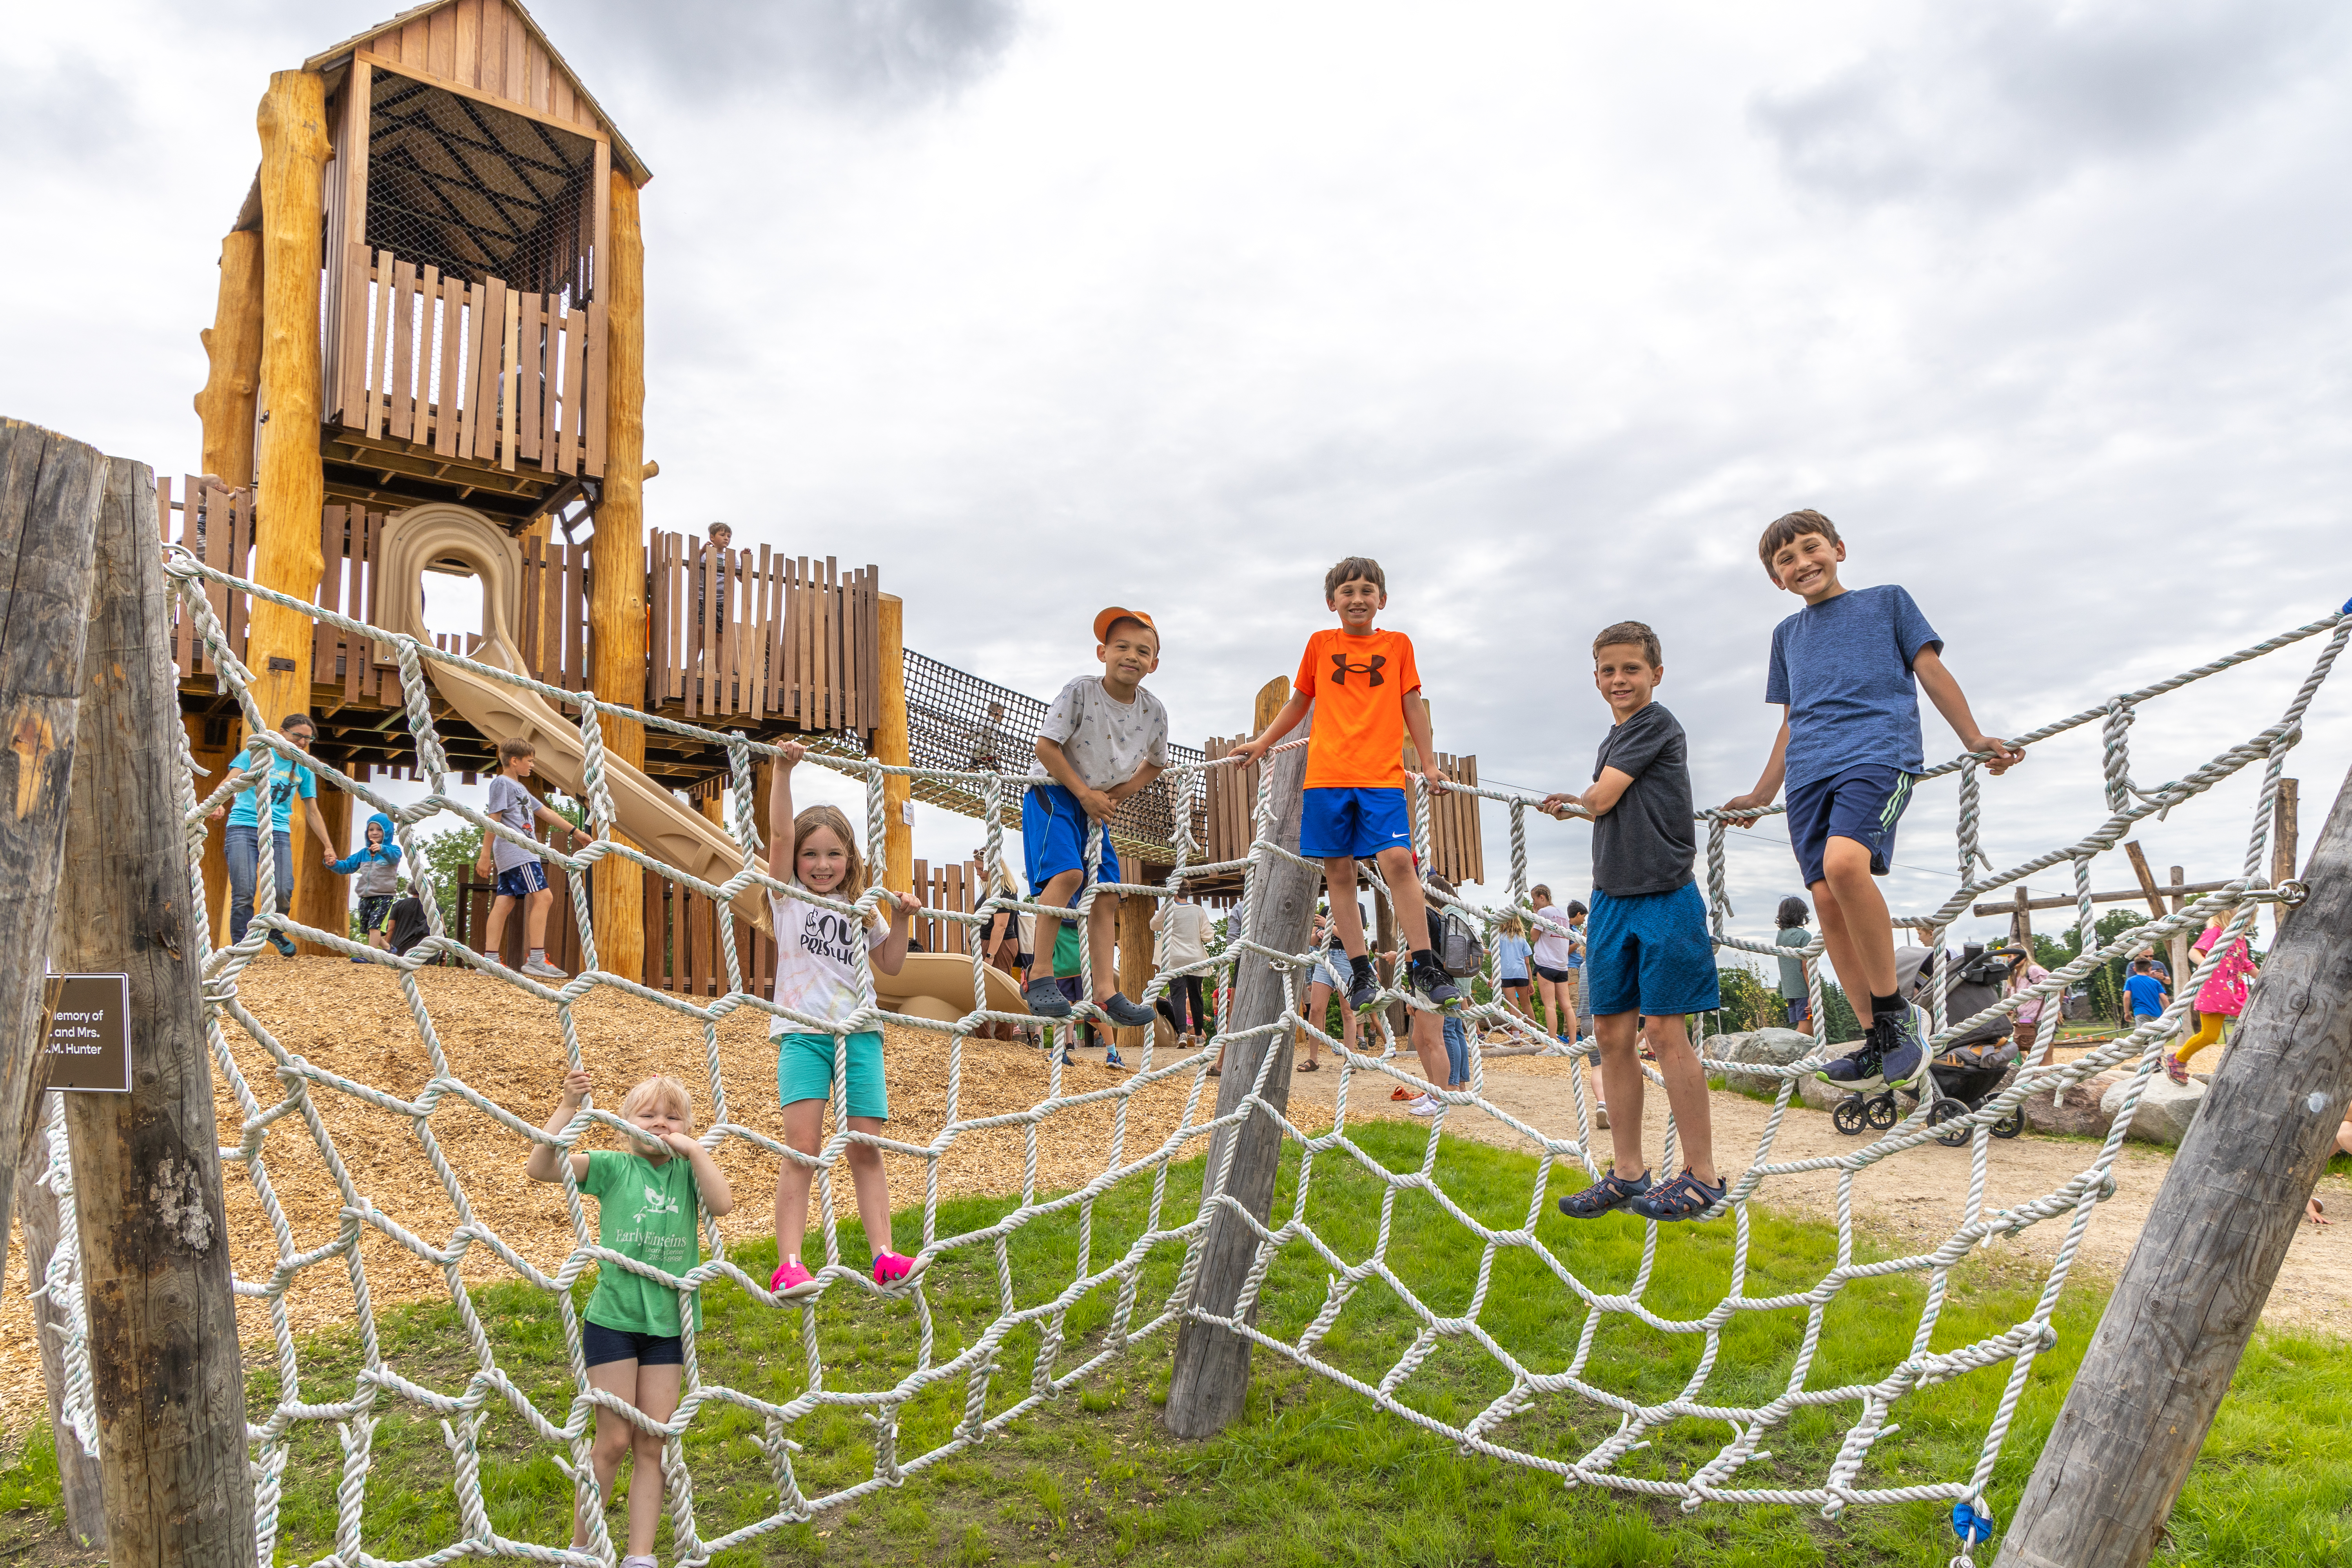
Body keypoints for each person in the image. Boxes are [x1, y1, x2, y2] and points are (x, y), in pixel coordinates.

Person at [1720, 510, 2022, 1093]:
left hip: (1876, 754)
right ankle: (1874, 1038)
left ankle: (1896, 1017)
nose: (1802, 563)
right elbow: (1791, 722)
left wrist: (1974, 738)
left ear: (1838, 548)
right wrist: (1763, 793)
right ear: (1776, 579)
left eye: (1812, 549)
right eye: (1786, 560)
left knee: (1844, 864)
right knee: (1826, 902)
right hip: (1810, 773)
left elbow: (1931, 670)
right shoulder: (1787, 637)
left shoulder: (1887, 602)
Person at [1545, 621, 1724, 1222]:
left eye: (1631, 669)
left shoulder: (1655, 723)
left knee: (1666, 1035)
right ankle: (1627, 1171)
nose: (1619, 680)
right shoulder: (1613, 737)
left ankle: (1703, 1175)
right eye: (1608, 671)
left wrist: (1577, 802)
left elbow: (1601, 800)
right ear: (1595, 677)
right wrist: (1582, 804)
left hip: (1663, 895)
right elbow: (1609, 804)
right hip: (1612, 900)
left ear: (1656, 674)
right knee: (1613, 1038)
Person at [1230, 557, 1460, 1016]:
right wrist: (1262, 742)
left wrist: (1430, 764)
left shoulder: (1398, 645)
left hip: (1381, 777)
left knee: (1398, 862)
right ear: (1332, 601)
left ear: (1382, 600)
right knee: (1338, 872)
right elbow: (1300, 702)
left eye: (1367, 590)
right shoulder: (1321, 644)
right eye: (1348, 591)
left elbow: (1412, 704)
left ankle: (1425, 963)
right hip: (1327, 778)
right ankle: (1359, 969)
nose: (1358, 599)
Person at [524, 1068, 734, 1568]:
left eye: (673, 1117)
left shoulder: (686, 1171)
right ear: (624, 1126)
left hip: (668, 1325)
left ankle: (640, 1556)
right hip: (615, 1318)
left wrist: (697, 1150)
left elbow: (722, 1204)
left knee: (653, 1442)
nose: (660, 1125)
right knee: (614, 1439)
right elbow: (540, 1167)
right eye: (648, 1115)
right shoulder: (614, 1166)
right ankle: (582, 1545)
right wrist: (569, 1105)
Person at [764, 740, 922, 1294]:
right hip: (803, 1034)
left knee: (865, 1146)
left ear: (851, 859)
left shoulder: (861, 909)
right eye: (812, 855)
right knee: (801, 1147)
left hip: (859, 1035)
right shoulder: (786, 898)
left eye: (834, 855)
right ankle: (790, 1263)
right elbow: (780, 835)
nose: (822, 865)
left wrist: (900, 919)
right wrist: (783, 772)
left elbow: (892, 965)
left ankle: (884, 1255)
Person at [1020, 608, 1168, 1034]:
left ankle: (1105, 988)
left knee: (1106, 893)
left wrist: (1116, 794)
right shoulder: (1081, 691)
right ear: (1103, 652)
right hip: (1055, 791)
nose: (1131, 656)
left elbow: (1157, 762)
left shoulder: (1153, 711)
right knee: (1066, 875)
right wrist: (1084, 793)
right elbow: (1046, 747)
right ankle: (1041, 974)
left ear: (1154, 664)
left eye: (1143, 651)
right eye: (1121, 646)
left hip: (1095, 803)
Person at [211, 712, 336, 956]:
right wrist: (218, 801)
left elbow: (312, 810)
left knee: (284, 889)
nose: (302, 743)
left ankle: (273, 929)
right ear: (282, 733)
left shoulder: (304, 766)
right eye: (298, 736)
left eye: (308, 739)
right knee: (244, 890)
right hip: (243, 826)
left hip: (278, 830)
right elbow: (230, 781)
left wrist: (328, 845)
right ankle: (242, 947)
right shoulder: (256, 755)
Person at [476, 738, 591, 979]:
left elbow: (545, 812)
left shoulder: (520, 788)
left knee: (505, 902)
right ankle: (537, 960)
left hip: (517, 852)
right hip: (519, 852)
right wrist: (484, 855)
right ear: (514, 761)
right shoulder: (502, 784)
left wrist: (577, 833)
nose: (533, 765)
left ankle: (490, 960)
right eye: (529, 761)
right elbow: (492, 819)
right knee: (545, 898)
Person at [2170, 916, 2256, 1083]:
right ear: (2229, 913)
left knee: (2255, 1023)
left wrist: (2265, 977)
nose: (2250, 919)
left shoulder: (2239, 938)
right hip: (2214, 992)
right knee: (2210, 1036)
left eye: (2253, 915)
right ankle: (2178, 1059)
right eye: (2247, 914)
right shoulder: (2217, 932)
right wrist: (2206, 964)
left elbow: (2243, 962)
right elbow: (2194, 952)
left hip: (2235, 992)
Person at [331, 811, 405, 959]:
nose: (375, 833)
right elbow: (348, 866)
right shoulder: (363, 853)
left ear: (387, 832)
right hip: (366, 896)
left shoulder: (393, 850)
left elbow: (394, 857)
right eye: (371, 830)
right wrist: (334, 864)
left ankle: (370, 956)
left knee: (374, 925)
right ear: (367, 833)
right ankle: (388, 948)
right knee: (368, 928)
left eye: (379, 830)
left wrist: (382, 849)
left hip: (385, 895)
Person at [1297, 908, 1358, 1069]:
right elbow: (1311, 942)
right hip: (1325, 956)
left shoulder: (1356, 907)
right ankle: (1313, 1059)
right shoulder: (1326, 911)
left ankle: (1349, 1059)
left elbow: (1353, 937)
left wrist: (1328, 925)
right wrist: (1317, 935)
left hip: (1346, 958)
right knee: (1316, 1010)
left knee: (1347, 1011)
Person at [1151, 891, 1212, 1048]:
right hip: (1195, 958)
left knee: (1178, 997)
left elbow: (1154, 925)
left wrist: (1166, 905)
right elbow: (1208, 936)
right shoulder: (1198, 910)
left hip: (1175, 958)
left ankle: (1183, 1033)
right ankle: (1199, 1036)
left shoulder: (1169, 909)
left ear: (1174, 893)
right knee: (1196, 996)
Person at [1529, 887, 1585, 1043]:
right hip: (1562, 965)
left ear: (1541, 897)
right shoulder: (1563, 915)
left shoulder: (1543, 913)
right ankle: (1573, 1042)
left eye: (1534, 900)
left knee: (1550, 1006)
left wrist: (1535, 916)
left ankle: (1552, 1043)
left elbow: (1534, 937)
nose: (1534, 903)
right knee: (1567, 1006)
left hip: (1546, 963)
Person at [2002, 943, 2054, 1056]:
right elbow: (2013, 998)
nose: (2012, 959)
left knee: (2044, 1059)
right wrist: (2011, 1008)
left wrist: (2058, 1010)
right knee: (2032, 1057)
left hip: (2041, 1019)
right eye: (2009, 956)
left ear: (2025, 956)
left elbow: (2058, 985)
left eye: (2016, 955)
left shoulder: (2033, 971)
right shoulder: (2012, 977)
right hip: (2025, 1022)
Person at [1773, 896, 1813, 1030]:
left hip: (1790, 990)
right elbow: (1806, 967)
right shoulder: (1804, 936)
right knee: (1807, 1030)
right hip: (1803, 991)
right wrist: (1812, 993)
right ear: (1802, 914)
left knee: (1806, 1029)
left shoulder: (1781, 935)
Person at [1491, 913, 1535, 1030]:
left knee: (1512, 1006)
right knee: (1527, 1004)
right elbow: (1527, 963)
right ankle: (1535, 1032)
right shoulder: (1522, 939)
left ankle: (1516, 1036)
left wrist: (1492, 977)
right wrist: (1531, 982)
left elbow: (1495, 958)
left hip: (1506, 975)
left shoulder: (1499, 938)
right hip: (1522, 974)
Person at [2123, 957, 2169, 1025]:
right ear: (2150, 969)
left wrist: (2127, 1013)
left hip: (2141, 1012)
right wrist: (2169, 1013)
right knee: (2156, 1034)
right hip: (2156, 1014)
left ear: (2135, 969)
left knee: (2144, 1034)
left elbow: (2127, 997)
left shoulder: (2130, 981)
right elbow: (2164, 999)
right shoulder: (2156, 982)